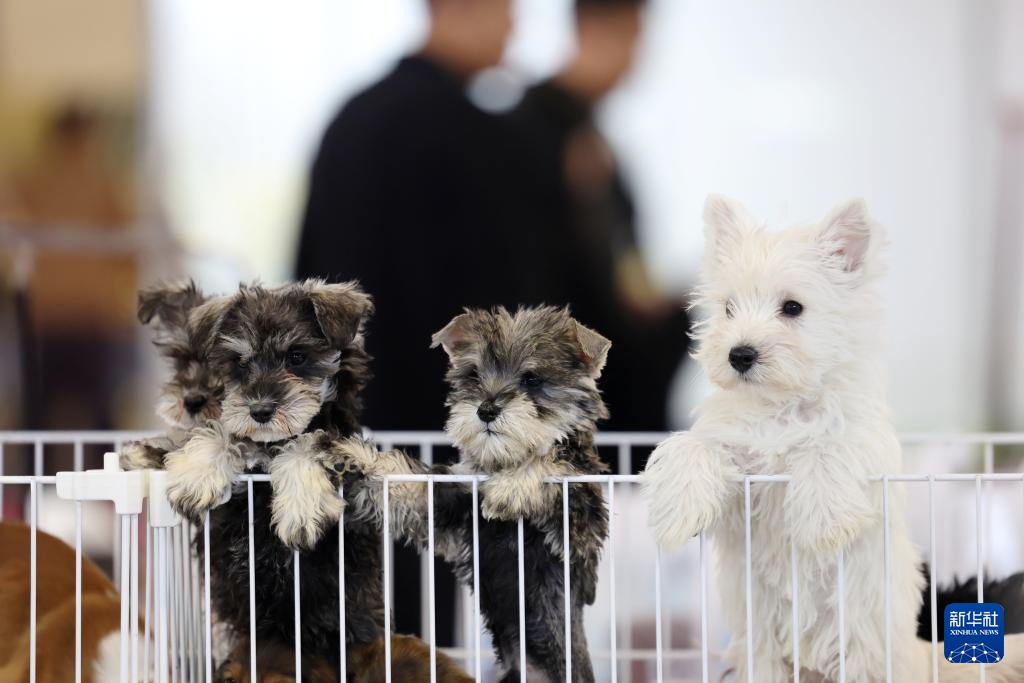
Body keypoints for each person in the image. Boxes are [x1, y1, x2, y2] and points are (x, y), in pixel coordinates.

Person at [295, 0, 549, 433]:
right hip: (449, 423)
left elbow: (307, 276)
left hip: (346, 417)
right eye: (505, 10)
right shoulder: (472, 133)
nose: (512, 27)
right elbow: (503, 288)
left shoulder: (352, 117)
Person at [505, 0, 689, 431]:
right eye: (633, 39)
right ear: (598, 29)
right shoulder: (538, 130)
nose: (635, 58)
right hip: (566, 394)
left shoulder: (585, 133)